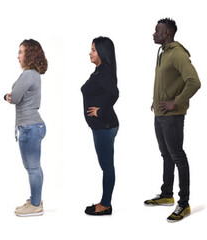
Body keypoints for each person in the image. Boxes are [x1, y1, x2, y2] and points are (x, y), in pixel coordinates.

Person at [142, 18, 201, 223]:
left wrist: (175, 102)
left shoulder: (177, 54)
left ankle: (183, 203)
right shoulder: (163, 53)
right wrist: (156, 100)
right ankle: (167, 194)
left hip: (173, 116)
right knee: (166, 154)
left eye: (157, 31)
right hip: (160, 114)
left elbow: (194, 82)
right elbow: (166, 80)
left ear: (167, 33)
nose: (154, 34)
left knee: (177, 156)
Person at [6, 39, 48, 217]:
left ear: (29, 54)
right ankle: (35, 200)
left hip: (30, 127)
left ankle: (36, 204)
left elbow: (15, 98)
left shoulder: (28, 74)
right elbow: (17, 97)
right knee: (32, 167)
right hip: (31, 125)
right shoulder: (32, 74)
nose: (18, 56)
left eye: (21, 52)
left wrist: (8, 96)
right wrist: (12, 96)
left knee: (33, 168)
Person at [82, 37, 120, 216]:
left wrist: (101, 111)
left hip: (104, 126)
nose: (90, 53)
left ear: (102, 53)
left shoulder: (104, 71)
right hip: (101, 127)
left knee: (107, 167)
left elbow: (114, 93)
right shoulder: (99, 71)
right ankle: (104, 201)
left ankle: (105, 205)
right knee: (106, 166)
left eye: (93, 50)